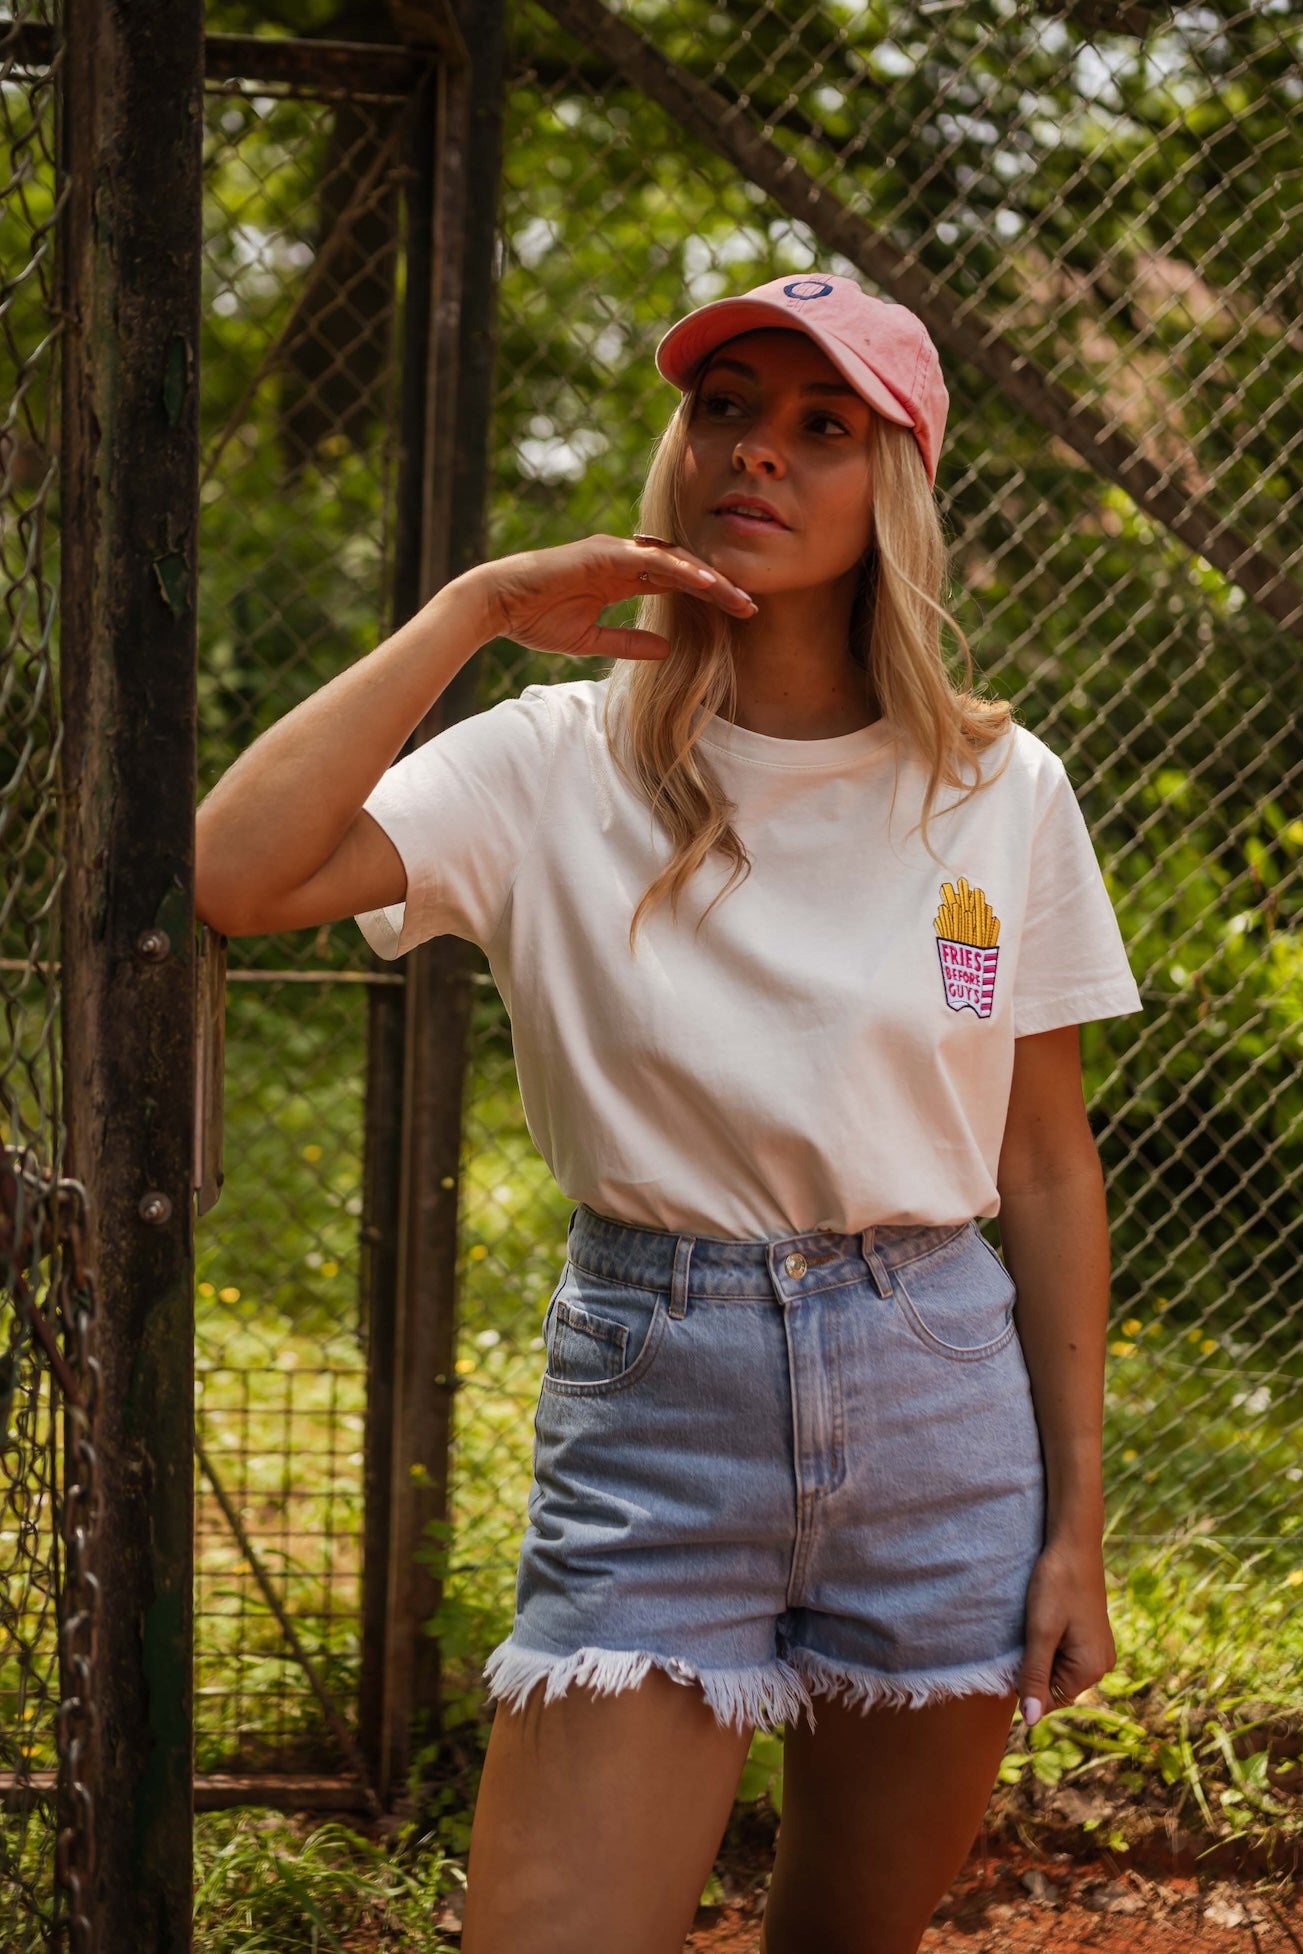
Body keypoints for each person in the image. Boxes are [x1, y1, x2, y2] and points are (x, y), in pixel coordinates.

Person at [195, 271, 1144, 1954]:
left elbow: (1048, 1165)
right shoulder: (552, 758)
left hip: (939, 1408)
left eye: (821, 425)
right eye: (726, 409)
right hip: (658, 1407)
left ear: (893, 486)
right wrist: (476, 607)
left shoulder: (999, 789)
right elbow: (230, 871)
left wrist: (1077, 1524)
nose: (757, 450)